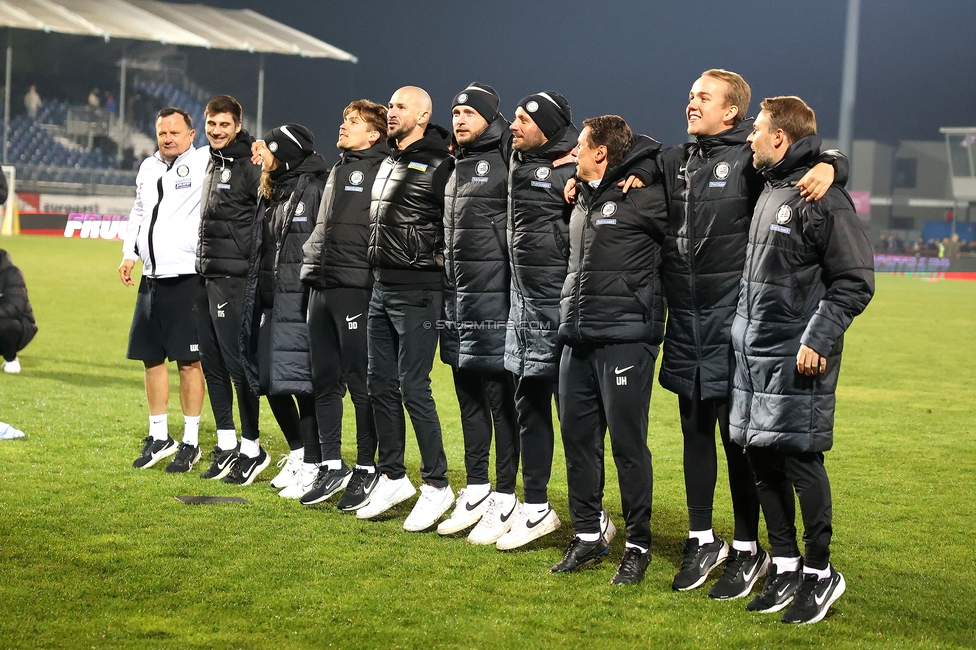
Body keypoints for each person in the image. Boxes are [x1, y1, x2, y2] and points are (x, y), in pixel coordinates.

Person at [593, 69, 844, 596]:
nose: (691, 103)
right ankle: (702, 537)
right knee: (694, 432)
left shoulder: (749, 163)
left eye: (703, 98)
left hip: (733, 321)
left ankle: (747, 548)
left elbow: (803, 157)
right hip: (685, 319)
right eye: (689, 96)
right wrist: (595, 173)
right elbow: (632, 149)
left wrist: (832, 164)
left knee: (740, 443)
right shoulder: (673, 161)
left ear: (733, 111)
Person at [734, 95, 874, 624]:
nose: (750, 138)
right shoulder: (771, 188)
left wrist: (819, 337)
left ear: (781, 138)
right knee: (761, 458)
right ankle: (787, 565)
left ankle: (821, 572)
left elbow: (854, 281)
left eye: (758, 130)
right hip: (754, 353)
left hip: (797, 354)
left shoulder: (824, 198)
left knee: (798, 459)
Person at [551, 116, 667, 586]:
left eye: (581, 145)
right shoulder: (582, 197)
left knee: (627, 445)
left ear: (601, 151)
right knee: (578, 442)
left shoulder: (645, 196)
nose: (574, 152)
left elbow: (672, 166)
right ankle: (587, 534)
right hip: (576, 337)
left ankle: (638, 545)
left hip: (625, 338)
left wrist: (648, 168)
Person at [355, 86, 456, 531]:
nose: (391, 112)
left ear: (423, 114)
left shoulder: (441, 163)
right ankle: (394, 475)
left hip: (419, 289)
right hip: (382, 286)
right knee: (379, 384)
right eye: (390, 106)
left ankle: (437, 484)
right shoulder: (389, 160)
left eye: (400, 107)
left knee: (413, 386)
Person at [495, 92, 580, 551]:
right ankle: (536, 506)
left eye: (524, 119)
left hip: (561, 310)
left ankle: (592, 514)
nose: (514, 125)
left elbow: (642, 151)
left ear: (545, 126)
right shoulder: (518, 159)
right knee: (528, 409)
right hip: (522, 307)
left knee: (577, 420)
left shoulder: (577, 162)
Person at [436, 83, 521, 544]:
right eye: (456, 112)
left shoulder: (509, 153)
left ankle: (506, 493)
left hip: (495, 300)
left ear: (492, 117)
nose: (461, 119)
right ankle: (477, 487)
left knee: (499, 399)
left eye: (471, 112)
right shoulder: (456, 164)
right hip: (457, 300)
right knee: (468, 396)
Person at [298, 100, 390, 509]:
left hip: (356, 287)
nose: (343, 126)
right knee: (323, 380)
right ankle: (332, 464)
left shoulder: (383, 170)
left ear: (374, 134)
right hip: (321, 282)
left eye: (353, 122)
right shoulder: (338, 168)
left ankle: (368, 468)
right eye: (343, 120)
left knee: (360, 382)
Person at [238, 125, 328, 489]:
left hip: (298, 298)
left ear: (286, 154)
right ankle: (298, 452)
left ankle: (313, 460)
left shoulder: (316, 188)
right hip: (268, 298)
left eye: (271, 151)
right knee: (269, 380)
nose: (264, 158)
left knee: (300, 383)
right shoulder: (274, 188)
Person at [119, 107, 209, 470]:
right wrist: (129, 254)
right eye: (162, 133)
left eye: (175, 132)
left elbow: (236, 141)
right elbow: (139, 212)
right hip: (151, 276)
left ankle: (190, 441)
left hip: (187, 275)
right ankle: (159, 436)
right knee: (150, 356)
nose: (168, 138)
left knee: (189, 361)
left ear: (191, 134)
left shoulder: (205, 162)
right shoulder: (148, 167)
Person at [191, 95, 265, 480]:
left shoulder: (251, 164)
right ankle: (226, 445)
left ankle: (252, 449)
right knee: (212, 364)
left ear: (237, 125)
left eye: (224, 125)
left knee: (238, 366)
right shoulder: (210, 161)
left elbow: (265, 218)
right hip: (205, 275)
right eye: (211, 125)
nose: (216, 131)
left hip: (234, 279)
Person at [0, 248, 38, 374]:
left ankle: (10, 358)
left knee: (5, 325)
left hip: (17, 325)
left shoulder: (11, 274)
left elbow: (14, 307)